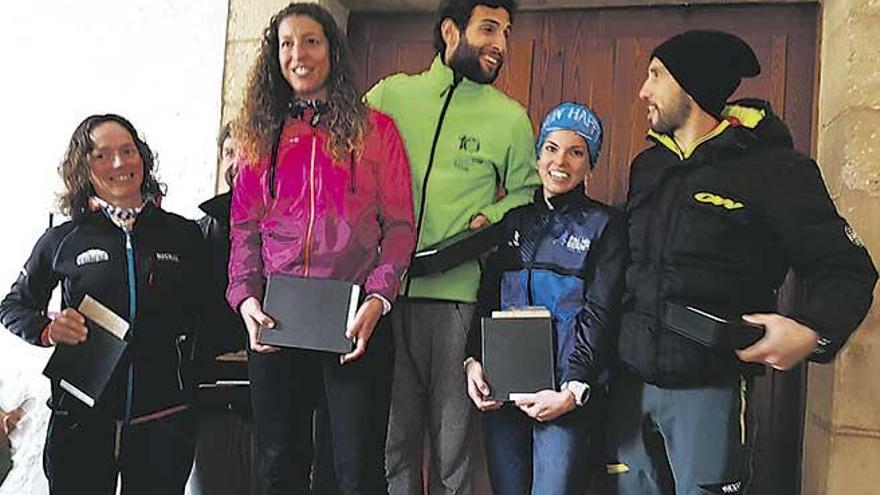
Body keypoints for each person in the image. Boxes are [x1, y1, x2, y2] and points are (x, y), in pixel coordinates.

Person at [603, 30, 877, 495]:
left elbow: (847, 268)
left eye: (655, 76)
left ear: (692, 86)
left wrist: (811, 330)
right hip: (630, 391)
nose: (643, 91)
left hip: (709, 392)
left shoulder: (774, 170)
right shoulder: (647, 168)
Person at [226, 3, 416, 494]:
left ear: (332, 49)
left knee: (354, 471)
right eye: (286, 44)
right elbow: (244, 228)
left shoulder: (378, 131)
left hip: (355, 319)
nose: (298, 54)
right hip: (278, 319)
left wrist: (378, 299)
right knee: (277, 464)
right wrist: (246, 299)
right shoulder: (258, 136)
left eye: (310, 40)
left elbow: (398, 228)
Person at [365, 1, 541, 492]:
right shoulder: (389, 96)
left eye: (506, 32)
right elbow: (348, 166)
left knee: (453, 451)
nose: (500, 45)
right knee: (392, 446)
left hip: (458, 301)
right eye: (488, 29)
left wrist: (495, 217)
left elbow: (528, 194)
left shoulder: (509, 118)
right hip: (383, 300)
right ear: (450, 31)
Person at [0, 114, 204, 494]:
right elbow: (14, 305)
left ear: (142, 157)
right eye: (102, 155)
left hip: (163, 420)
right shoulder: (63, 239)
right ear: (83, 167)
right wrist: (46, 329)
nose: (118, 163)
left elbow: (208, 311)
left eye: (128, 151)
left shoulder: (183, 235)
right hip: (80, 421)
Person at [463, 102, 626, 494]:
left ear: (591, 165)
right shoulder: (514, 223)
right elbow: (487, 301)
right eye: (551, 148)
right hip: (505, 397)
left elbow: (601, 314)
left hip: (564, 400)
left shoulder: (607, 227)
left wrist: (573, 391)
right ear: (537, 157)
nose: (561, 161)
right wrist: (473, 362)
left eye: (576, 152)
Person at [188, 123, 257, 495]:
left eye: (247, 150)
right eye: (229, 153)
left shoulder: (296, 232)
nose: (237, 162)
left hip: (272, 401)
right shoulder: (197, 235)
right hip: (210, 404)